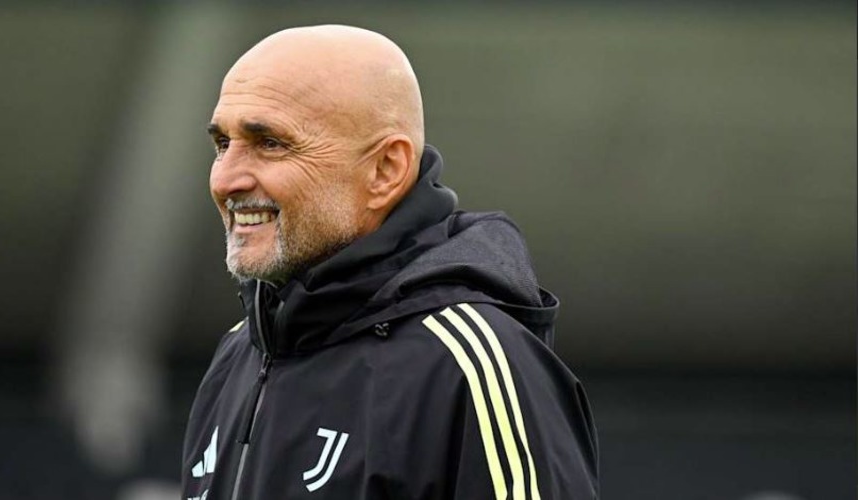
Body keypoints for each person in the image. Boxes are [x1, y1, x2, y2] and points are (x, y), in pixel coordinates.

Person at [181, 25, 599, 500]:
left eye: (270, 143)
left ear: (385, 170)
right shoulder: (239, 351)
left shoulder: (471, 366)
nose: (226, 179)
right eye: (222, 144)